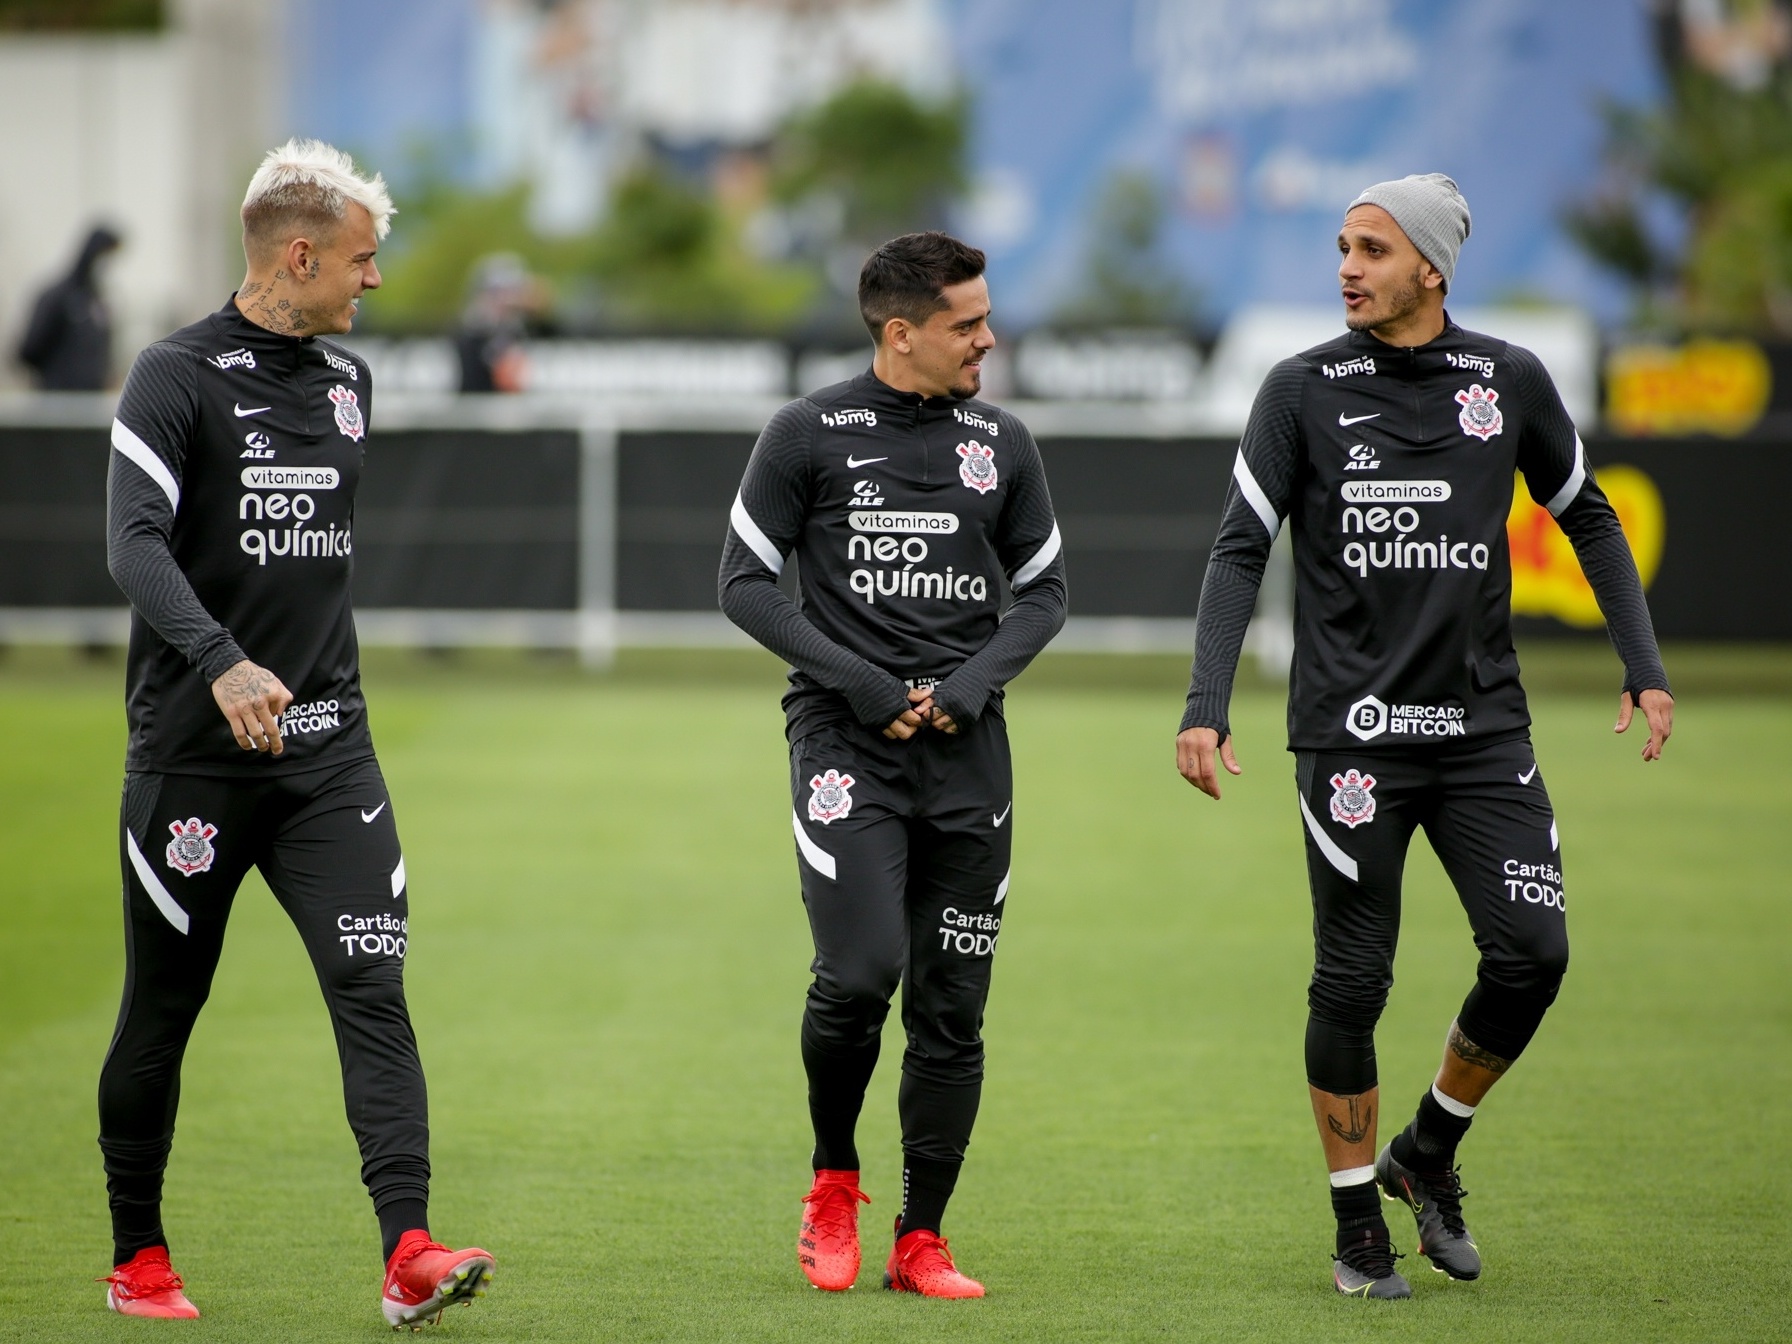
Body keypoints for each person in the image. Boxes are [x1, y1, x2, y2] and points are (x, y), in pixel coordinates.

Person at [1175, 174, 1673, 1299]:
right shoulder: (1300, 389)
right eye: (1341, 246)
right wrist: (1207, 701)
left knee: (1533, 955)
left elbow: (1584, 512)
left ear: (1431, 270)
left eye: (1370, 248)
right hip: (1348, 744)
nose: (1345, 265)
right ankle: (1358, 1227)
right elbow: (1237, 550)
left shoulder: (1509, 380)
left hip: (1481, 733)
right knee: (1352, 982)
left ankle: (1426, 1154)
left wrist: (1642, 669)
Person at [98, 139, 493, 1327]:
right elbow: (134, 545)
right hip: (195, 765)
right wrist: (219, 663)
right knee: (162, 1012)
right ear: (303, 254)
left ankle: (408, 1252)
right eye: (364, 261)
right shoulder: (170, 377)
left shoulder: (346, 386)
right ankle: (137, 1260)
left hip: (329, 756)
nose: (375, 283)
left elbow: (306, 570)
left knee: (373, 985)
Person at [719, 231, 1066, 1299]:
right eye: (967, 324)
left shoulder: (1000, 442)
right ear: (901, 331)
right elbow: (743, 584)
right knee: (861, 974)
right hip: (844, 750)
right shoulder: (808, 432)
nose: (988, 339)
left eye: (985, 318)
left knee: (952, 1004)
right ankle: (833, 1181)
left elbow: (1044, 594)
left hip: (969, 757)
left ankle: (922, 1238)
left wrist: (965, 688)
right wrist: (868, 688)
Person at [18, 224, 121, 390]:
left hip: (90, 405)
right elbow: (29, 350)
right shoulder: (58, 298)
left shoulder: (98, 303)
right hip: (57, 403)